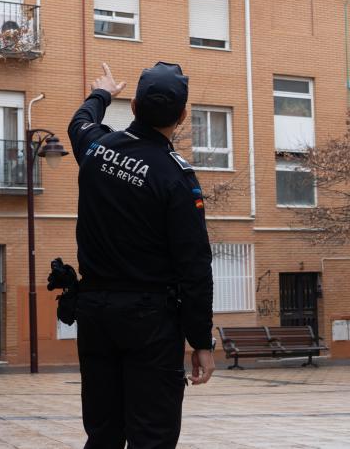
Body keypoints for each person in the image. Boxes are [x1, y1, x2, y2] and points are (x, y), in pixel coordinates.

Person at [67, 61, 215, 449]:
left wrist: (101, 93)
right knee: (153, 435)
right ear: (182, 116)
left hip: (95, 313)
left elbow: (79, 123)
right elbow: (195, 266)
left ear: (133, 106)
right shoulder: (175, 178)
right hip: (149, 321)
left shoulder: (98, 149)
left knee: (103, 433)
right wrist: (201, 340)